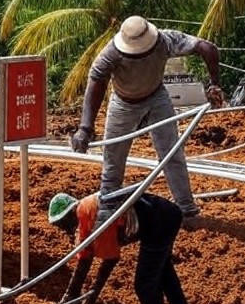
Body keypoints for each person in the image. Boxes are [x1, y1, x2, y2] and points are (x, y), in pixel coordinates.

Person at [71, 16, 223, 231]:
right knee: (113, 155)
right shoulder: (112, 53)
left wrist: (214, 84)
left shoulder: (163, 40)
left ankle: (187, 209)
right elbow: (96, 81)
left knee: (171, 153)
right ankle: (108, 206)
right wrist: (85, 128)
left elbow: (206, 47)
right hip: (123, 103)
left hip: (156, 97)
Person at [48, 189, 200, 304]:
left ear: (69, 214)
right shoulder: (86, 212)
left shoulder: (90, 215)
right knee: (163, 271)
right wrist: (71, 295)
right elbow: (85, 258)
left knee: (144, 284)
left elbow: (110, 259)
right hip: (164, 215)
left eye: (61, 224)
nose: (63, 231)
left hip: (159, 221)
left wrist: (91, 296)